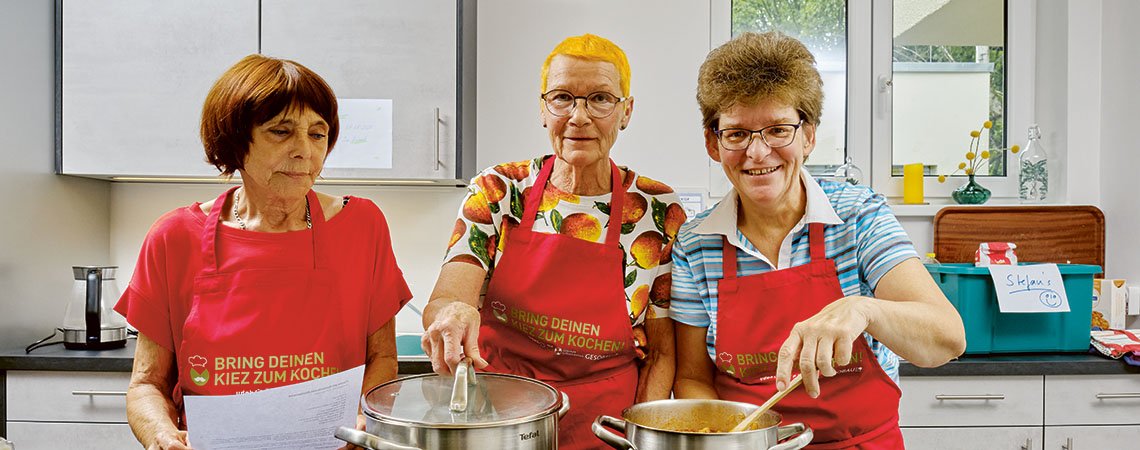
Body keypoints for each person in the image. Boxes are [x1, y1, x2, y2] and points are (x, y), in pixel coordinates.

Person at [670, 32, 966, 448]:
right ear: (712, 143)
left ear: (808, 136)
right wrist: (724, 439)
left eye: (778, 130)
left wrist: (863, 309)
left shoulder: (858, 216)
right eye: (737, 133)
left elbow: (947, 339)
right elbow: (693, 378)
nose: (758, 153)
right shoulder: (695, 243)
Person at [115, 54, 412, 450]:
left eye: (318, 134)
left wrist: (365, 418)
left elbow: (382, 361)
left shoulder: (362, 226)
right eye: (281, 131)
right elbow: (146, 385)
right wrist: (162, 435)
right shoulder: (173, 237)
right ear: (236, 140)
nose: (304, 150)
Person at [420, 34, 684, 450]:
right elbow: (448, 297)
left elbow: (662, 352)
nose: (579, 116)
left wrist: (642, 439)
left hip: (606, 430)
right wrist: (452, 312)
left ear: (625, 112)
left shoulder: (657, 209)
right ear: (543, 109)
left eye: (599, 99)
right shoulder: (498, 190)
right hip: (500, 423)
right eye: (562, 98)